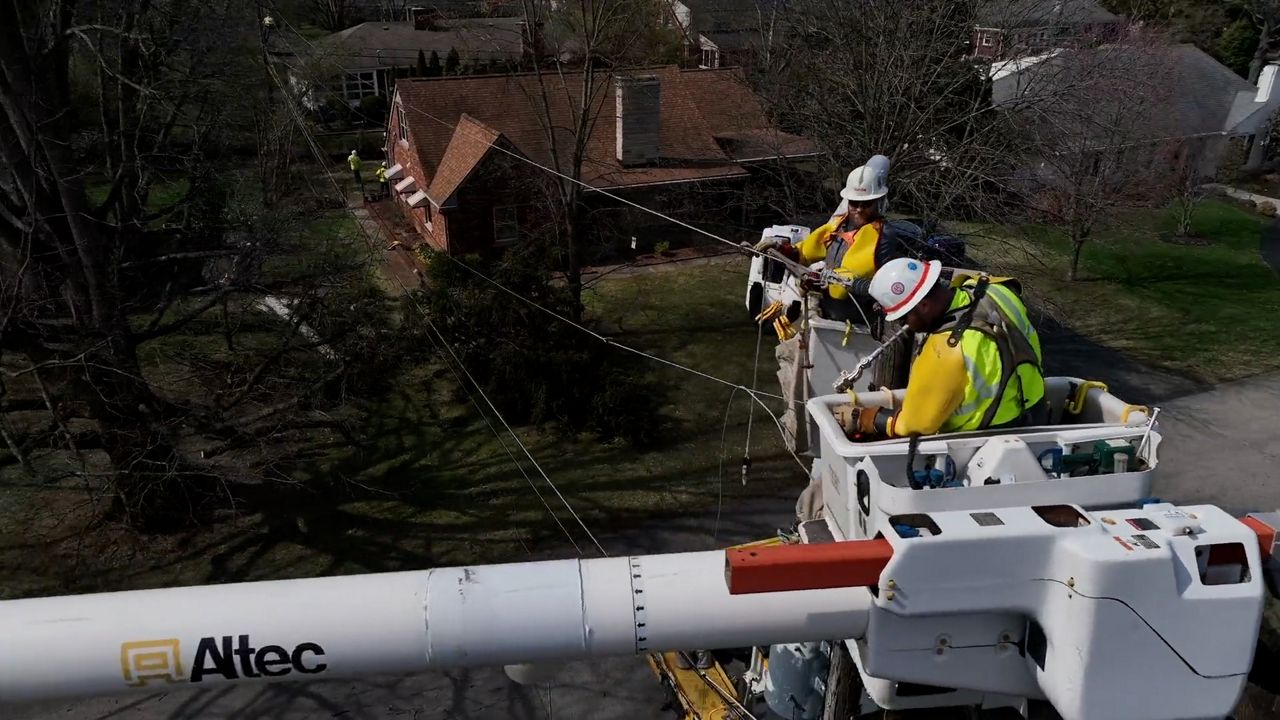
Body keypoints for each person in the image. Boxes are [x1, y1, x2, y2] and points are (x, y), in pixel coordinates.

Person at [845, 258, 1046, 438]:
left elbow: (917, 424)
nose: (904, 324)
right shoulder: (997, 291)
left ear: (924, 306)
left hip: (985, 438)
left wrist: (870, 419)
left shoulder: (946, 349)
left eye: (903, 317)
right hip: (1036, 412)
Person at [754, 164, 904, 322]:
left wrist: (826, 282)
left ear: (877, 202)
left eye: (866, 204)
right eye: (854, 203)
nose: (859, 209)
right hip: (828, 313)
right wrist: (779, 248)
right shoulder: (839, 225)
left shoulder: (882, 235)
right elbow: (802, 254)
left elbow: (869, 282)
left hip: (859, 320)